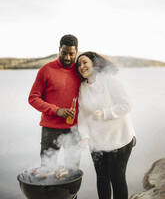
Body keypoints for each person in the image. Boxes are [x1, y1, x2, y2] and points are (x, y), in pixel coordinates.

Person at [76, 51, 136, 199]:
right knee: (102, 179)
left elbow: (127, 105)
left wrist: (105, 113)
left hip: (119, 139)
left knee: (117, 178)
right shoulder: (82, 88)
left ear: (94, 63)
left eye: (84, 62)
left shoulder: (110, 81)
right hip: (97, 143)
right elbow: (82, 116)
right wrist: (85, 136)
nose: (81, 66)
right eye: (79, 64)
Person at [28, 34, 81, 168]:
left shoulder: (80, 71)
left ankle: (71, 190)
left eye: (71, 54)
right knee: (47, 169)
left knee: (72, 170)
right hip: (50, 130)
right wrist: (57, 111)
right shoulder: (46, 70)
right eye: (64, 53)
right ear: (59, 49)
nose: (67, 57)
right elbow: (33, 98)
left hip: (74, 129)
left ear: (77, 52)